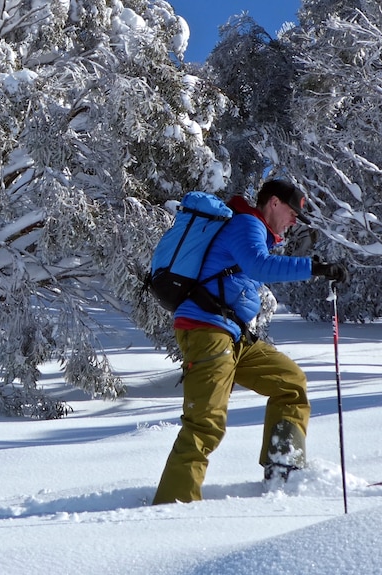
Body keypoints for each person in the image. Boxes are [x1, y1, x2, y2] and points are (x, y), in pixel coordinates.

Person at [152, 179, 348, 505]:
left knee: (289, 382)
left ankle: (283, 468)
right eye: (291, 212)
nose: (294, 221)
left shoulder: (253, 229)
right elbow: (261, 265)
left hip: (233, 336)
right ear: (273, 203)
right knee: (205, 423)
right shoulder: (246, 224)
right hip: (207, 332)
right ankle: (172, 506)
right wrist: (316, 267)